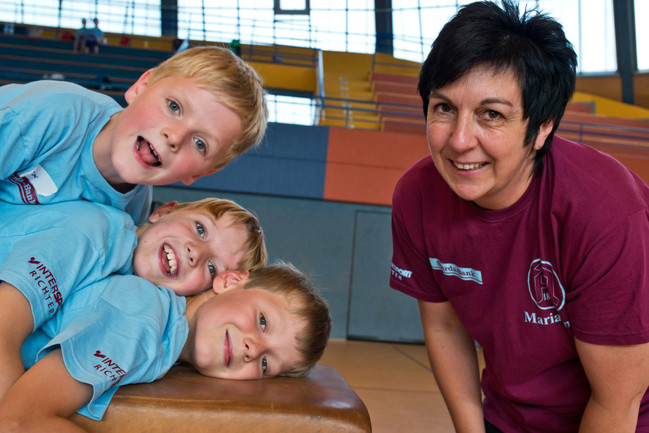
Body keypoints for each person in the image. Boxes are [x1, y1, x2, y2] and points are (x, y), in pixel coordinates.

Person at [389, 1, 649, 432]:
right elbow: (446, 327)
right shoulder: (417, 196)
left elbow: (616, 400)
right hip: (511, 417)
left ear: (542, 126)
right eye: (444, 108)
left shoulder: (608, 214)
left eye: (491, 115)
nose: (459, 140)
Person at [0, 263, 331, 431]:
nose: (252, 349)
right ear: (230, 282)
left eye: (264, 364)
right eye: (262, 322)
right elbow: (18, 421)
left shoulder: (164, 337)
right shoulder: (144, 320)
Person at [0, 197, 266, 399]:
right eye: (200, 229)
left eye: (212, 268)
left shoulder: (141, 306)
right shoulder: (93, 231)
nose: (195, 252)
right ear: (164, 212)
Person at [0, 45, 268, 224]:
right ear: (141, 86)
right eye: (174, 106)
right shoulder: (52, 113)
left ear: (200, 173)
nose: (174, 137)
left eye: (200, 143)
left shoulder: (131, 217)